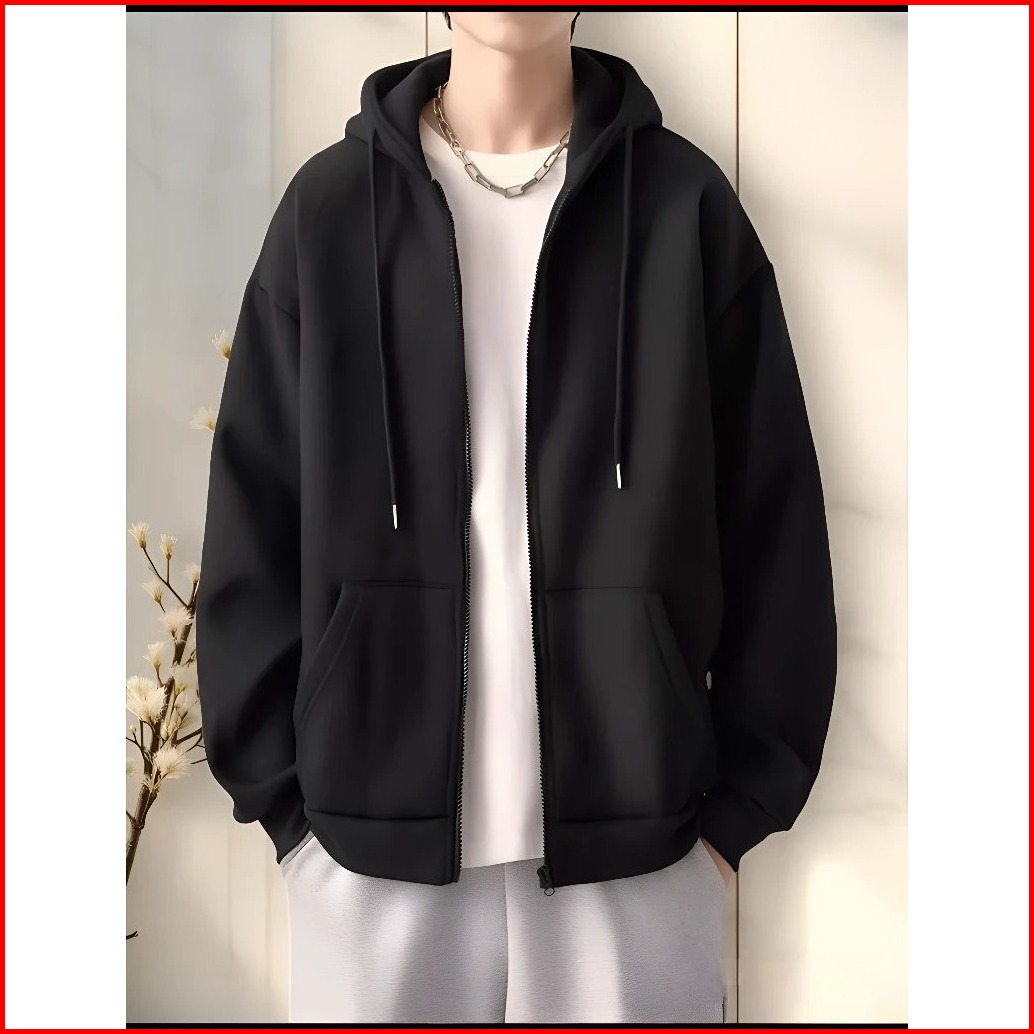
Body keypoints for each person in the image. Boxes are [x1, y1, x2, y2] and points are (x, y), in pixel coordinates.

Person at [194, 10, 838, 1024]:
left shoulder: (683, 207)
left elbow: (775, 526)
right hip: (365, 862)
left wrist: (731, 820)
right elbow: (251, 522)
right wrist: (290, 818)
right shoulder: (328, 211)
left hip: (643, 855)